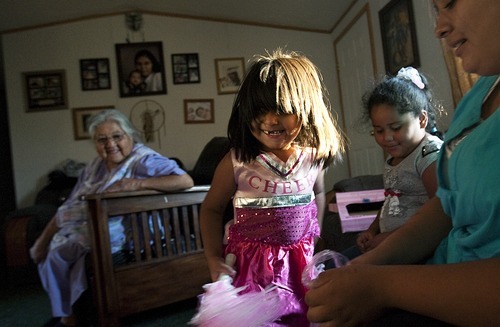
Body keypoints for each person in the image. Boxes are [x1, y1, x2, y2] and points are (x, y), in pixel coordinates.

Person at [305, 1, 500, 326]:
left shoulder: (426, 154)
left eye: (450, 3)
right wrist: (365, 265)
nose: (438, 27)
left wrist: (380, 286)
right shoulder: (478, 95)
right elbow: (445, 207)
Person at [199, 49, 344, 326]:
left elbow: (319, 194)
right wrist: (212, 258)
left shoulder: (313, 157)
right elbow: (211, 208)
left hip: (299, 261)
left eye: (282, 110)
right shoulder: (238, 160)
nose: (269, 120)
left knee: (306, 316)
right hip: (251, 268)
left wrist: (315, 233)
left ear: (306, 107)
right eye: (259, 111)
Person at [29, 109, 193, 327]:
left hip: (125, 232)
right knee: (71, 259)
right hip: (85, 228)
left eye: (117, 136)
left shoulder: (143, 160)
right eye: (102, 139)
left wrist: (138, 184)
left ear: (130, 136)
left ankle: (66, 317)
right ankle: (71, 314)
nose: (110, 144)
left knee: (57, 253)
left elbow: (184, 181)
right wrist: (44, 237)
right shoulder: (94, 166)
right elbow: (70, 203)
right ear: (95, 143)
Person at [344, 67, 443, 259]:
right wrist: (373, 231)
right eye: (379, 131)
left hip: (417, 246)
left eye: (396, 127)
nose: (387, 138)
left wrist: (390, 238)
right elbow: (392, 200)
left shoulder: (428, 154)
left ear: (422, 119)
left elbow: (440, 211)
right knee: (333, 266)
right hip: (389, 241)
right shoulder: (397, 155)